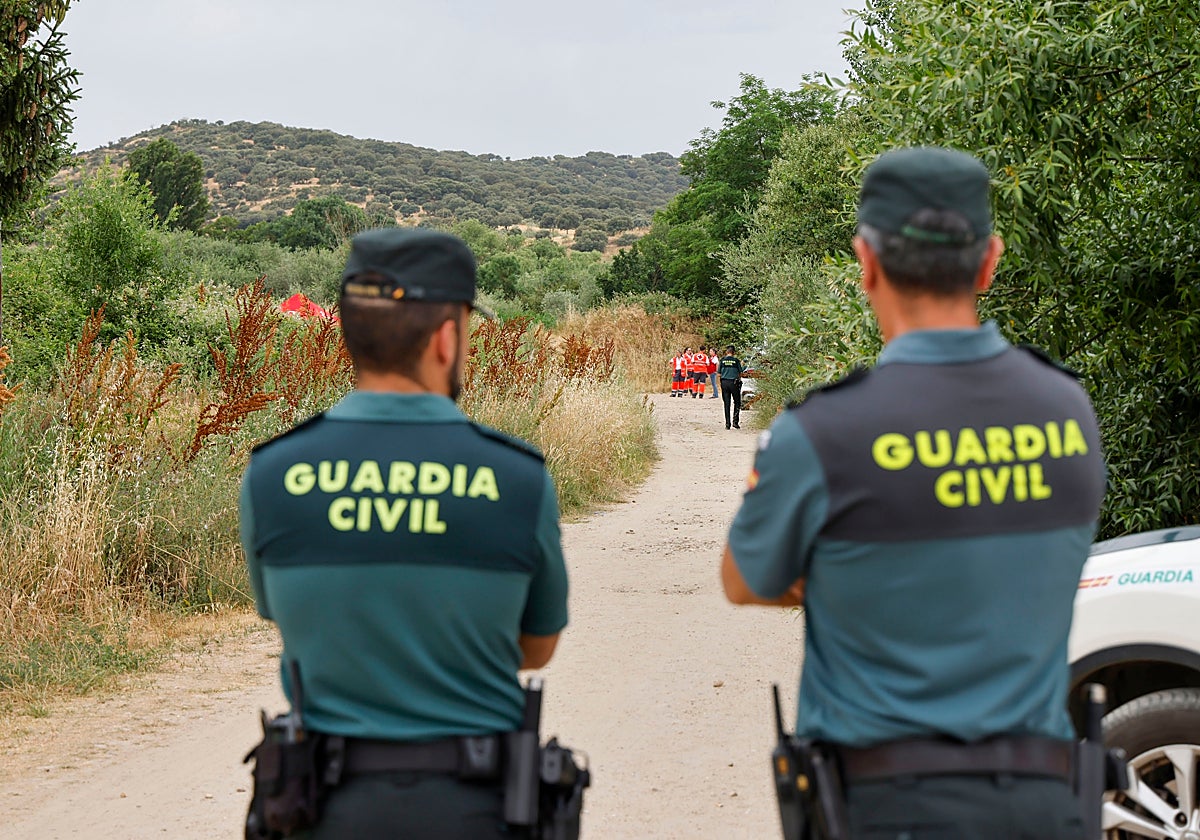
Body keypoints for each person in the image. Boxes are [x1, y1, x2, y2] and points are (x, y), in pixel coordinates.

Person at [720, 147, 1105, 839]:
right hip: (1045, 805)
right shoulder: (1068, 411)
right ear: (990, 261)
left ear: (865, 261)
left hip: (885, 807)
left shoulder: (822, 431)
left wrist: (834, 571)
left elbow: (744, 580)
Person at [241, 227, 569, 839]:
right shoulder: (518, 477)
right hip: (479, 808)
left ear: (349, 332)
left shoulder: (273, 473)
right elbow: (537, 646)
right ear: (447, 339)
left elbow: (291, 621)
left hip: (319, 807)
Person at [717, 345, 742, 429]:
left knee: (726, 404)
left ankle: (727, 424)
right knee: (737, 402)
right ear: (733, 352)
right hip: (734, 383)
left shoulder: (722, 361)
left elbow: (719, 374)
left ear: (726, 352)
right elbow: (740, 372)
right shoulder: (736, 361)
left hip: (724, 383)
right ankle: (735, 422)